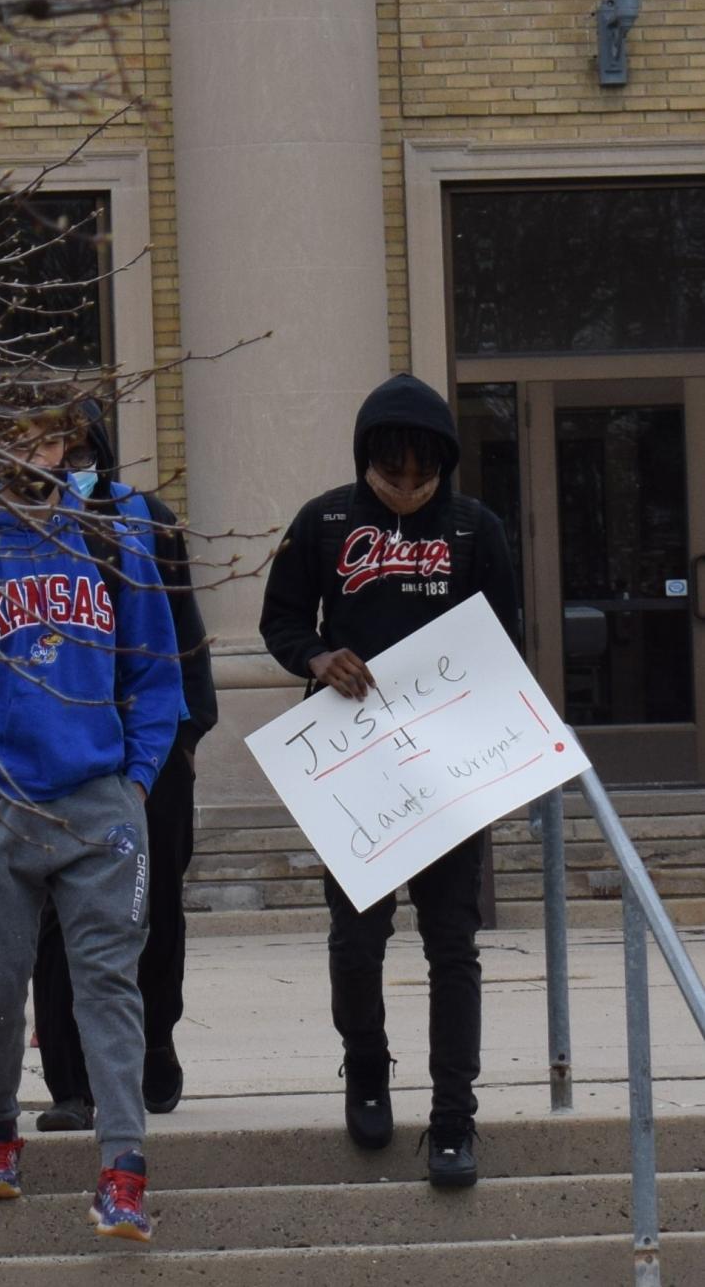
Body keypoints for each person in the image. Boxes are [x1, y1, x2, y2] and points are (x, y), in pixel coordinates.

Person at [0, 392, 182, 1243]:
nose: (33, 451)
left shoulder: (112, 536)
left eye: (48, 435)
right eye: (11, 435)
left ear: (70, 444)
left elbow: (154, 670)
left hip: (99, 802)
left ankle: (123, 1172)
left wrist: (134, 781)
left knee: (109, 987)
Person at [259, 373, 518, 1190]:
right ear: (367, 459)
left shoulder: (475, 528)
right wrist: (314, 655)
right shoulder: (325, 521)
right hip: (354, 761)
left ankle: (452, 1115)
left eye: (420, 473)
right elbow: (280, 619)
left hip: (446, 764)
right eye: (389, 472)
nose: (404, 488)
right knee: (356, 936)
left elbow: (502, 641)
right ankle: (365, 1063)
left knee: (452, 942)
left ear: (442, 463)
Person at [33, 403, 216, 1130]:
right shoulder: (12, 529)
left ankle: (154, 1041)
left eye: (78, 451)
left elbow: (187, 636)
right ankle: (69, 1079)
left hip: (150, 744)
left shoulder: (145, 519)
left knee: (153, 902)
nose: (66, 466)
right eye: (54, 451)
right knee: (56, 911)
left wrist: (186, 738)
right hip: (58, 744)